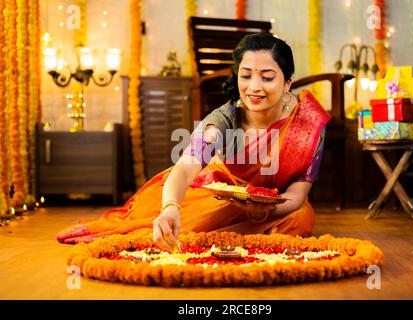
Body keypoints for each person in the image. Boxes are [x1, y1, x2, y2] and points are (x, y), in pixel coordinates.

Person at [56, 33, 331, 250]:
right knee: (194, 217)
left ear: (287, 83)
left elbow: (297, 194)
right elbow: (187, 167)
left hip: (277, 204)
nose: (254, 87)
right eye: (246, 76)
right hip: (224, 193)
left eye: (267, 77)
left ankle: (239, 235)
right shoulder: (224, 118)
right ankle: (213, 232)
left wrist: (261, 211)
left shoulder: (308, 122)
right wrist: (170, 208)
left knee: (301, 218)